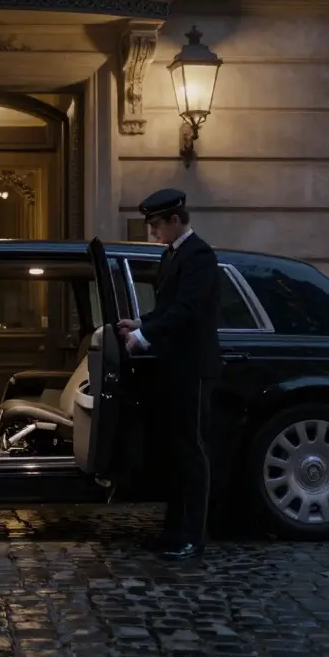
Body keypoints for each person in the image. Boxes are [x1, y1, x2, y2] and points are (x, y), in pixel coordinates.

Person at [118, 187, 222, 561]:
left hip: (191, 368)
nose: (153, 232)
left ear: (176, 220)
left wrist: (144, 336)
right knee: (175, 454)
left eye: (157, 225)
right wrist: (141, 322)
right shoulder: (173, 255)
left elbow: (188, 309)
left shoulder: (199, 256)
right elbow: (167, 307)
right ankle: (173, 531)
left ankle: (193, 535)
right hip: (174, 368)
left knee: (192, 452)